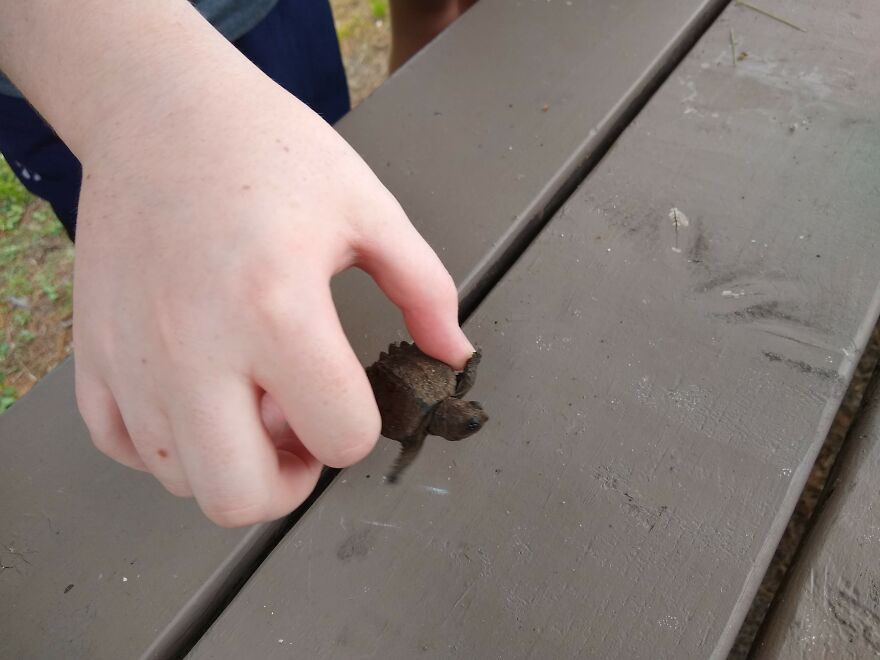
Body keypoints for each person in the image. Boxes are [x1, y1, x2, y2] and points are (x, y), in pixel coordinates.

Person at [0, 0, 476, 527]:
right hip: (53, 76)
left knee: (322, 155)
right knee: (168, 298)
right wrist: (132, 95)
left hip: (262, 12)